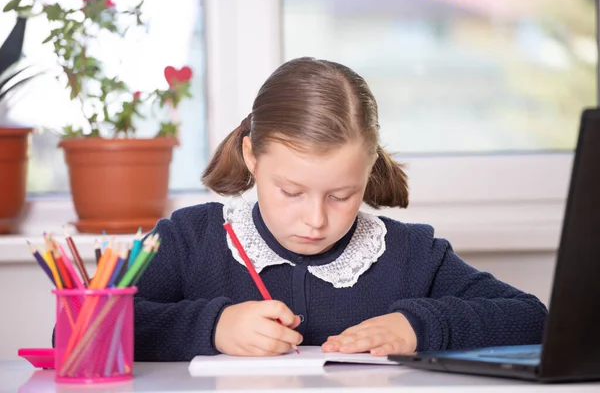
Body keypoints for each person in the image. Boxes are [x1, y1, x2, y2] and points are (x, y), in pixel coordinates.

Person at [134, 57, 547, 361]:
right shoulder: (190, 240)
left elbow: (533, 319)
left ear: (368, 170)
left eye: (340, 196)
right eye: (291, 192)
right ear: (252, 157)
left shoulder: (411, 254)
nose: (316, 220)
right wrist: (215, 326)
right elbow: (79, 334)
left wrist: (418, 326)